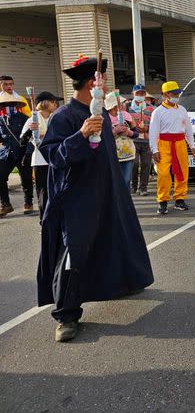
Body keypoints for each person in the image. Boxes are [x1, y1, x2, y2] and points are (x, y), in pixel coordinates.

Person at [38, 55, 153, 342]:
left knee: (118, 238)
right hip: (78, 198)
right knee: (74, 252)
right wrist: (80, 134)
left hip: (108, 192)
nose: (106, 86)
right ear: (93, 83)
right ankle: (66, 315)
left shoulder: (101, 113)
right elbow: (53, 156)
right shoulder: (65, 117)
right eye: (102, 81)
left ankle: (125, 282)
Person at [149, 81, 195, 214]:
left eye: (178, 93)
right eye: (174, 93)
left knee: (182, 171)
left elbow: (188, 129)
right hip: (164, 144)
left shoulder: (182, 109)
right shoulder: (158, 112)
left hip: (180, 143)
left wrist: (192, 145)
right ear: (166, 94)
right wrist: (154, 149)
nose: (177, 95)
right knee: (163, 174)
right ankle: (162, 201)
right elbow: (153, 132)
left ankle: (179, 199)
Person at [20, 91, 61, 220]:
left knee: (59, 192)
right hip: (40, 161)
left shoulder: (57, 117)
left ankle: (58, 221)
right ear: (45, 103)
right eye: (53, 102)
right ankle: (44, 221)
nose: (56, 104)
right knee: (43, 194)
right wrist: (29, 131)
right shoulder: (33, 118)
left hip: (56, 159)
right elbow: (22, 141)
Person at [0, 92, 33, 216]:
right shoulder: (0, 119)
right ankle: (5, 204)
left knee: (26, 178)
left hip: (22, 151)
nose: (8, 107)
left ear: (16, 105)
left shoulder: (24, 118)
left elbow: (30, 137)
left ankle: (28, 202)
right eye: (4, 105)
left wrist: (28, 152)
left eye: (11, 104)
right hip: (6, 153)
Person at [105, 91, 138, 189]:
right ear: (113, 105)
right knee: (113, 182)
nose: (122, 105)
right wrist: (115, 131)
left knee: (126, 180)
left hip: (128, 154)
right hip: (111, 155)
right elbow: (102, 137)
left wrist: (129, 133)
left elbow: (135, 133)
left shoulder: (126, 115)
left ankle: (125, 202)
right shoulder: (105, 118)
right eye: (120, 103)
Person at [127, 85, 155, 196]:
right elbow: (123, 121)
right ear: (133, 93)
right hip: (132, 140)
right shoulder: (127, 107)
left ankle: (143, 187)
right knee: (134, 164)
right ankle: (134, 185)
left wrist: (147, 129)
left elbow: (155, 125)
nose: (140, 95)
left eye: (142, 93)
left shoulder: (151, 108)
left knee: (146, 164)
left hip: (146, 140)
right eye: (138, 93)